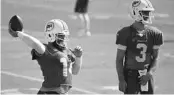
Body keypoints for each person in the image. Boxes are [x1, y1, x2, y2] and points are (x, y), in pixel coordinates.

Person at [9, 19, 83, 94]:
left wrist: (78, 57)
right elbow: (35, 43)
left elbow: (75, 71)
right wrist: (19, 34)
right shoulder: (47, 50)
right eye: (61, 36)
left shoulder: (67, 51)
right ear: (51, 35)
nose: (64, 38)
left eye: (64, 36)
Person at [115, 0, 163, 94]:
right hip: (130, 75)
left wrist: (150, 73)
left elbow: (155, 58)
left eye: (149, 12)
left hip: (147, 74)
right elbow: (119, 59)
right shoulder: (125, 33)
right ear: (135, 12)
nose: (148, 15)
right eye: (145, 12)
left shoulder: (155, 34)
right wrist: (121, 79)